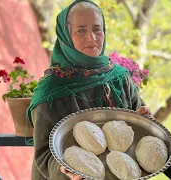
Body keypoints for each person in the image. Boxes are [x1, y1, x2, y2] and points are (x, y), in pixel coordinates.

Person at [27, 0, 151, 179]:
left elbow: (137, 123)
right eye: (81, 30)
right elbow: (45, 154)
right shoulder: (51, 92)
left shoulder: (119, 78)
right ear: (66, 35)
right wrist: (66, 173)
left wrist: (145, 119)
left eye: (96, 29)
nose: (91, 37)